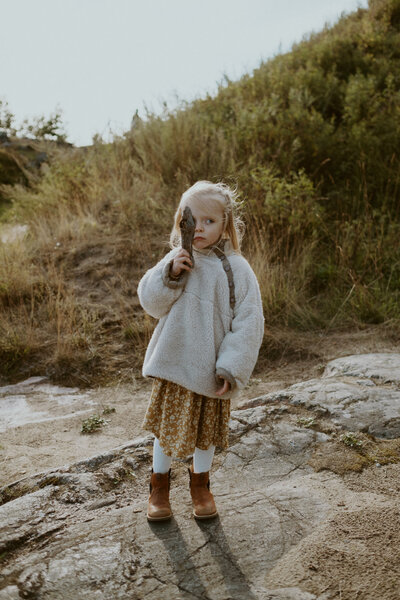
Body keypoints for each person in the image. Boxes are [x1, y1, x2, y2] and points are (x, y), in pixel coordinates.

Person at [137, 180, 264, 521]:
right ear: (182, 219)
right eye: (195, 219)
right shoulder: (178, 258)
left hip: (210, 369)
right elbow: (152, 303)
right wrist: (169, 273)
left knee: (204, 435)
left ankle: (200, 486)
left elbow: (249, 320)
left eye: (211, 221)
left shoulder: (236, 267)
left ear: (226, 224)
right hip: (174, 364)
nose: (202, 227)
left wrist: (232, 367)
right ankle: (159, 488)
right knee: (167, 429)